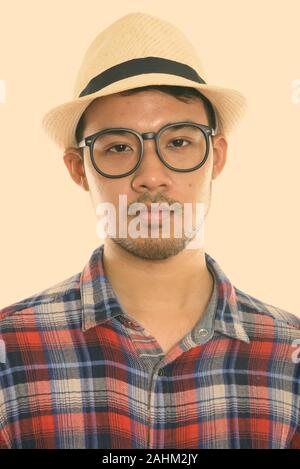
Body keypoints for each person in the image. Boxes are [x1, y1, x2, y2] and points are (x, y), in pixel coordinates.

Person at [0, 12, 299, 450]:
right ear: (77, 169)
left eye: (178, 142)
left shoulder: (288, 357)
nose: (152, 176)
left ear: (216, 157)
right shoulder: (11, 351)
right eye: (119, 148)